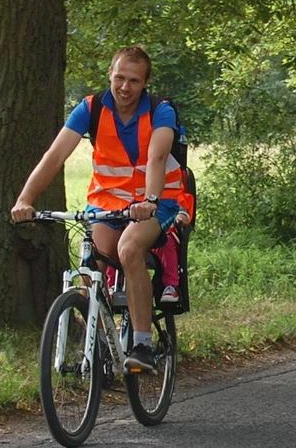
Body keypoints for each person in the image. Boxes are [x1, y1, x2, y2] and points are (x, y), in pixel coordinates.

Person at [12, 46, 183, 373]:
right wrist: (25, 199)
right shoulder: (90, 109)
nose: (125, 87)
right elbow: (54, 157)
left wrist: (149, 200)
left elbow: (158, 157)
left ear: (145, 83)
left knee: (129, 248)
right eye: (119, 78)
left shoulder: (161, 111)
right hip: (106, 204)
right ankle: (101, 343)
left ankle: (143, 344)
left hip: (155, 205)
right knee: (91, 259)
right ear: (109, 74)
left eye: (134, 80)